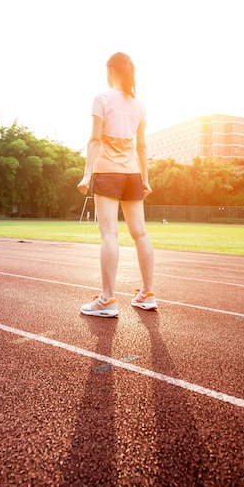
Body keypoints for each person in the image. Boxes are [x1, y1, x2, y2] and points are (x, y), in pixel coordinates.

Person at [77, 52, 157, 317]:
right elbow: (142, 147)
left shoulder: (101, 100)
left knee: (109, 233)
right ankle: (147, 294)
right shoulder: (140, 105)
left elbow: (94, 141)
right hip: (132, 174)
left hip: (108, 173)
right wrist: (145, 179)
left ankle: (108, 299)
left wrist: (86, 176)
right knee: (141, 233)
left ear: (111, 70)